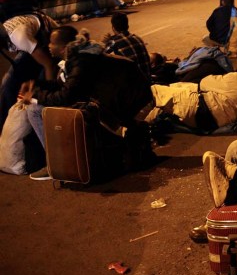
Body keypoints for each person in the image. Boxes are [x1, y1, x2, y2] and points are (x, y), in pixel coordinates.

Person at [21, 26, 151, 180]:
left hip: (125, 106)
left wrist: (35, 96)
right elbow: (69, 87)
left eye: (51, 43)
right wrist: (37, 86)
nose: (48, 46)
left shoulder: (82, 61)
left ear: (63, 48)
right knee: (41, 106)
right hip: (124, 99)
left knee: (35, 110)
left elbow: (65, 97)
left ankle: (57, 163)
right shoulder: (82, 56)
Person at [145, 60, 237, 133]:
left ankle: (134, 125)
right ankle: (144, 123)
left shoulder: (235, 79)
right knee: (178, 88)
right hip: (213, 122)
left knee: (154, 91)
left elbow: (204, 83)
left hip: (201, 108)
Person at [0, 0, 58, 127]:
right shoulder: (7, 32)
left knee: (35, 86)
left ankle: (47, 118)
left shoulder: (19, 36)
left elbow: (49, 64)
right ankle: (5, 124)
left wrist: (48, 94)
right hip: (32, 43)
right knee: (8, 84)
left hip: (50, 42)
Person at [102, 12, 151, 79]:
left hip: (133, 85)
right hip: (147, 80)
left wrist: (105, 43)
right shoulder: (137, 37)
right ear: (127, 26)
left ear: (113, 28)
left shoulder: (114, 42)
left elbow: (100, 54)